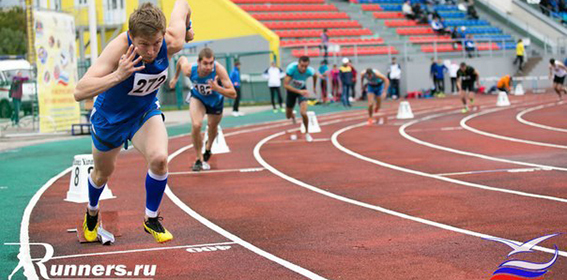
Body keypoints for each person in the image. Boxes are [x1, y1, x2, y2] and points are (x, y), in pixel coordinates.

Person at [73, 1, 194, 243]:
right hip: (111, 119)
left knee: (160, 159)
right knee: (101, 174)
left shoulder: (172, 41)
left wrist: (188, 27)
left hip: (143, 113)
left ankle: (151, 219)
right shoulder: (118, 48)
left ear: (163, 35)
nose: (151, 51)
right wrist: (119, 74)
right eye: (143, 45)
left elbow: (182, 5)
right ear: (131, 37)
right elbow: (80, 90)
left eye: (156, 44)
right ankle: (92, 212)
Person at [169, 48, 236, 171]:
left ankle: (208, 147)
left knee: (212, 126)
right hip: (198, 98)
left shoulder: (219, 70)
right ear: (199, 62)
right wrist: (175, 77)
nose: (208, 67)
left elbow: (233, 93)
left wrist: (217, 88)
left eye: (211, 63)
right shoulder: (189, 70)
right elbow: (181, 59)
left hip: (215, 101)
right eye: (205, 63)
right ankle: (199, 158)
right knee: (196, 124)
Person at [284, 56, 320, 142]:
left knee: (303, 113)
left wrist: (314, 87)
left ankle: (307, 133)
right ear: (298, 64)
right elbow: (285, 85)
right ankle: (292, 115)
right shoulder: (291, 69)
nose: (303, 68)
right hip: (292, 91)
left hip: (302, 91)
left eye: (306, 66)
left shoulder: (310, 71)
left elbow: (315, 76)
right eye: (302, 66)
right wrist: (299, 91)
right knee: (288, 116)